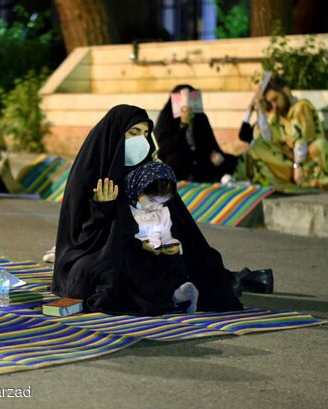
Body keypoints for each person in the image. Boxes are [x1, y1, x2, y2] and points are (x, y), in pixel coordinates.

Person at [51, 104, 271, 316]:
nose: (141, 141)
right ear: (115, 135)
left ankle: (174, 290)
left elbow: (180, 227)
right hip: (104, 252)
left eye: (145, 134)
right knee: (88, 273)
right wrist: (102, 208)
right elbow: (79, 241)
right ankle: (171, 292)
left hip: (148, 249)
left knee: (196, 265)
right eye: (133, 133)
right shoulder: (89, 174)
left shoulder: (146, 171)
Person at [124, 160, 198, 313]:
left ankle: (180, 291)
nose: (155, 207)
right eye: (151, 200)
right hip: (137, 256)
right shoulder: (127, 211)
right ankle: (170, 298)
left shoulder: (162, 213)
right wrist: (142, 246)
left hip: (158, 253)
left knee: (175, 260)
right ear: (138, 188)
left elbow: (165, 236)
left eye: (162, 202)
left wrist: (173, 245)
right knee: (142, 268)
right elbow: (121, 239)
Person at [237, 77, 328, 190]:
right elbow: (266, 138)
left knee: (320, 145)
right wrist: (262, 113)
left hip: (307, 159)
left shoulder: (301, 107)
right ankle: (274, 184)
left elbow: (301, 139)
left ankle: (309, 180)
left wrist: (297, 166)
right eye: (271, 102)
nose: (274, 105)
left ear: (286, 91)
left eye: (276, 99)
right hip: (290, 161)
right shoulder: (277, 113)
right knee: (257, 146)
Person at [154, 84, 237, 183]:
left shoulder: (200, 118)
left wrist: (215, 153)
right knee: (175, 163)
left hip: (199, 157)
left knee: (229, 160)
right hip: (179, 158)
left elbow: (210, 141)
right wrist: (183, 125)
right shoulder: (167, 118)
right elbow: (166, 148)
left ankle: (221, 179)